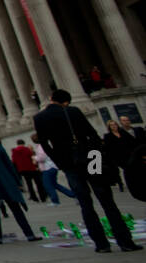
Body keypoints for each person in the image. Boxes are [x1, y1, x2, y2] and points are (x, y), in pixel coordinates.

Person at [33, 90, 141, 253]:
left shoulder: (40, 118)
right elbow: (93, 136)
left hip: (69, 164)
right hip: (90, 159)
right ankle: (125, 241)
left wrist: (60, 162)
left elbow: (45, 144)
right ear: (66, 102)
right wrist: (97, 159)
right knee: (107, 201)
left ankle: (101, 244)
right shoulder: (73, 112)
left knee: (85, 204)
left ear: (51, 99)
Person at [32, 135, 78, 206]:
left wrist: (34, 157)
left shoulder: (40, 147)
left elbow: (42, 158)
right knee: (55, 184)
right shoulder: (45, 144)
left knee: (47, 185)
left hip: (48, 168)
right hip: (52, 167)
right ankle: (74, 195)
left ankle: (55, 201)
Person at [10, 138, 45, 202]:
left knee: (29, 184)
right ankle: (42, 197)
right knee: (38, 182)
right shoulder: (27, 149)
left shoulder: (14, 151)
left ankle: (34, 197)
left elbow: (14, 161)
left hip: (23, 170)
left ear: (17, 144)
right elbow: (32, 157)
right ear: (23, 143)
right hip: (31, 168)